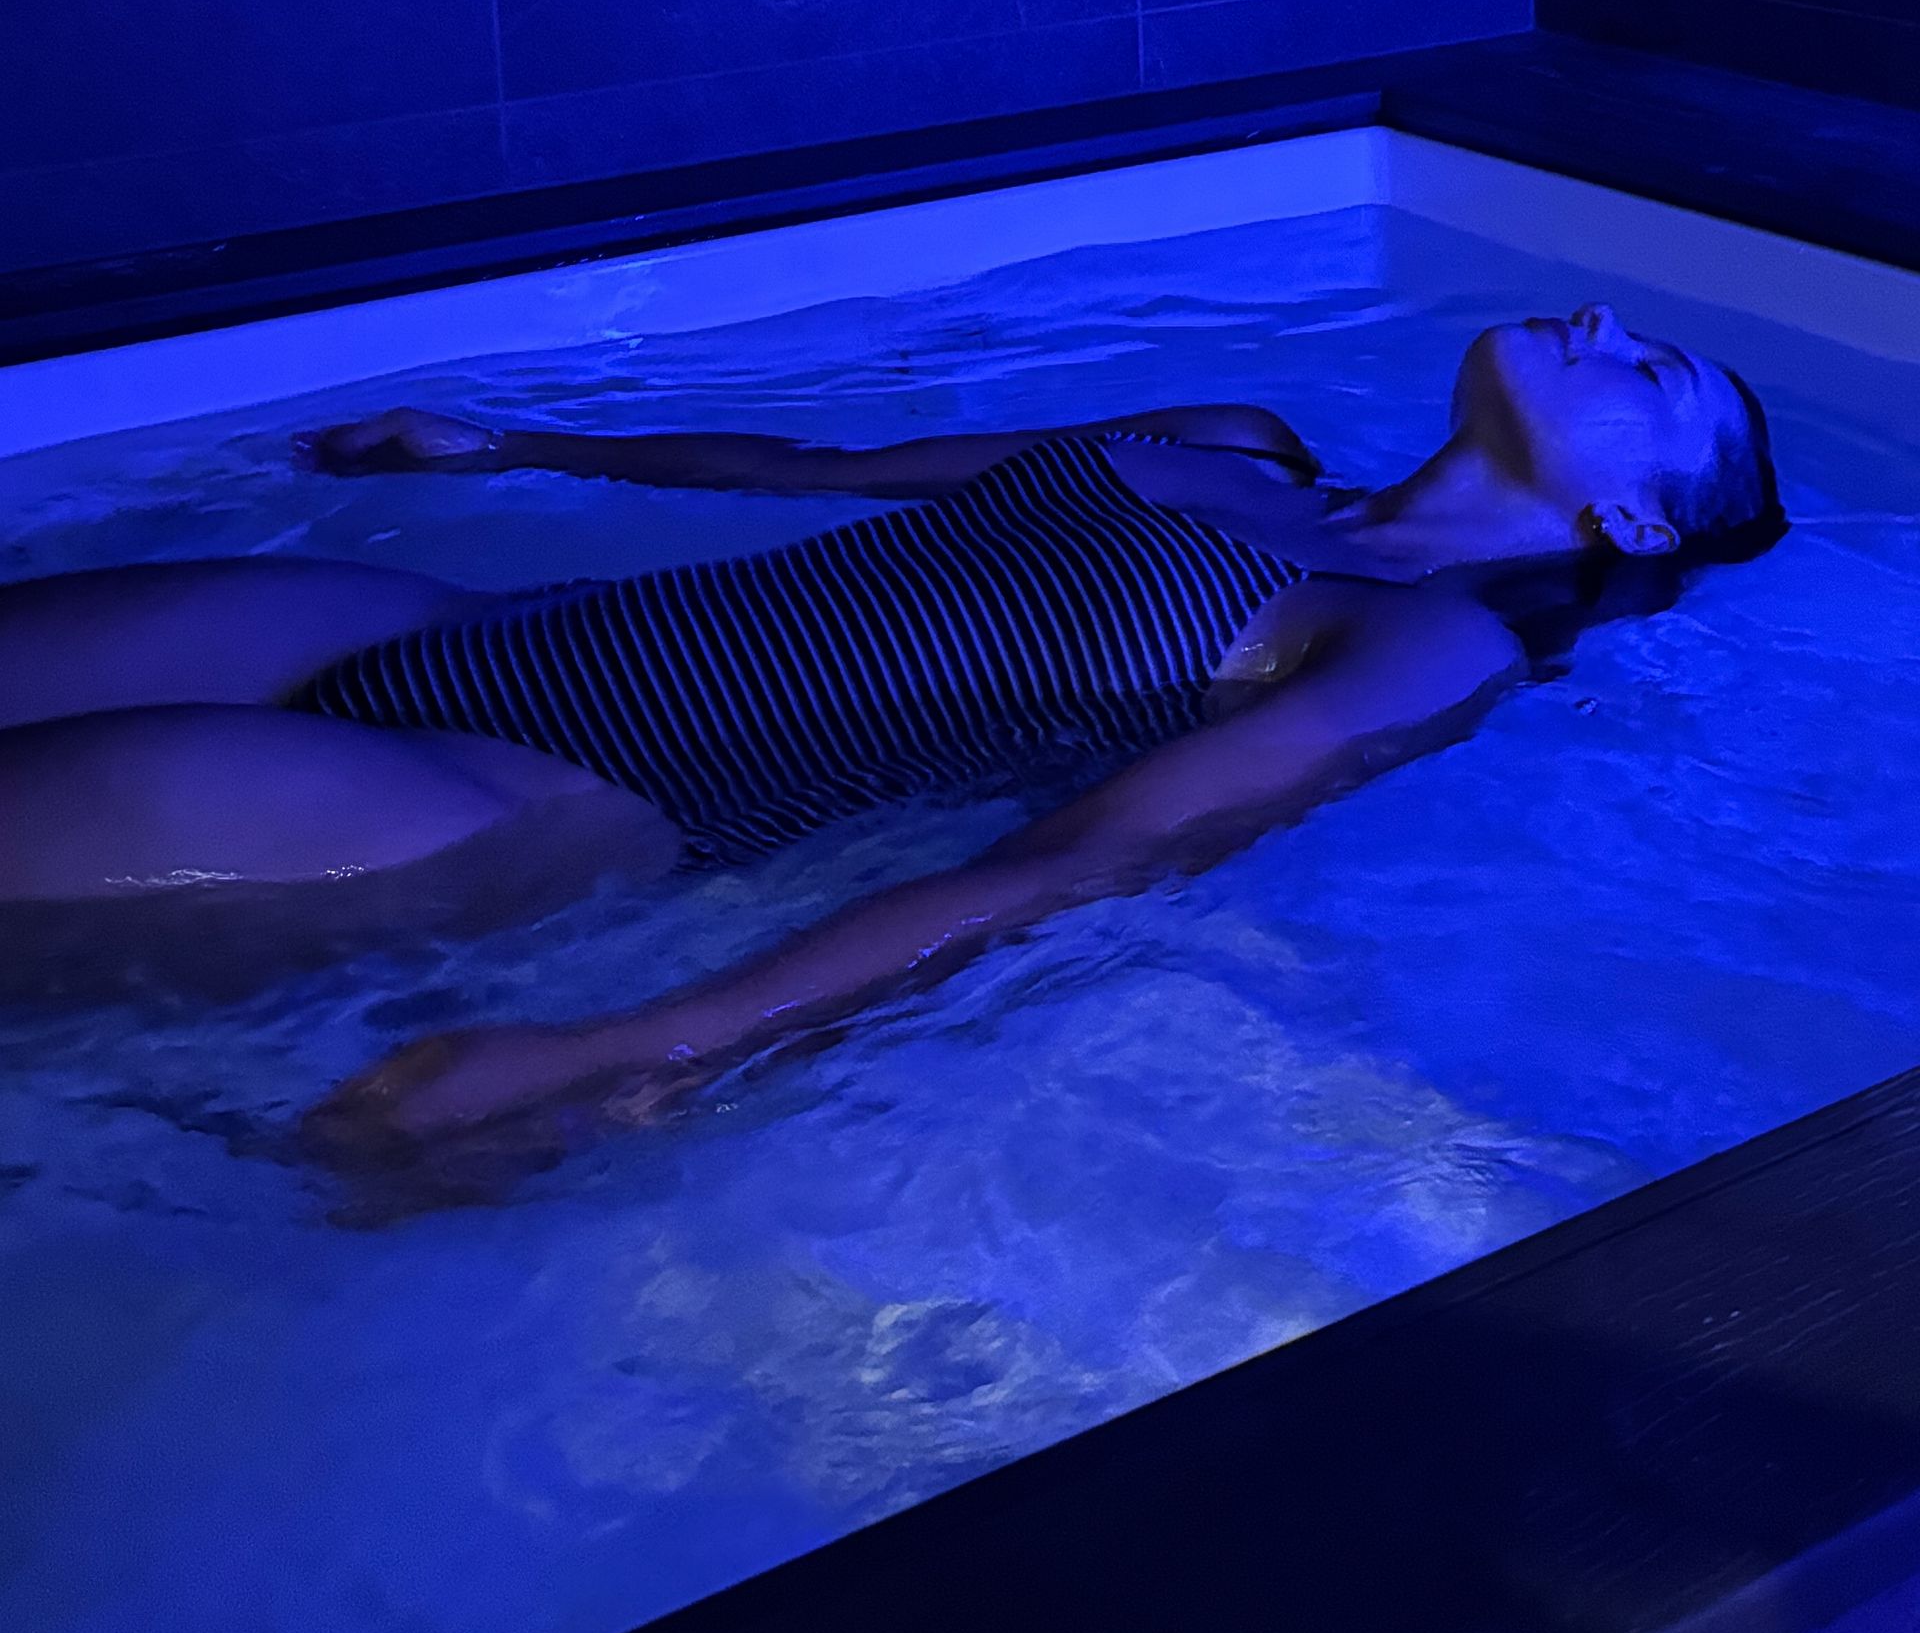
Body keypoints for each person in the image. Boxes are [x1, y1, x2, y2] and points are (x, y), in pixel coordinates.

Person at [0, 303, 1782, 1181]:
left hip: (534, 789)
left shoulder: (1422, 643)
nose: (1603, 328)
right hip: (443, 626)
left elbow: (1090, 858)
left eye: (1657, 380)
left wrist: (638, 1049)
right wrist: (520, 446)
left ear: (1633, 523)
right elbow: (829, 475)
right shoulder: (1230, 435)